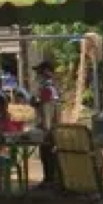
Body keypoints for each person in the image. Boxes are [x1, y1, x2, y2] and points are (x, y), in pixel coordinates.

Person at [32, 60, 61, 191]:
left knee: (47, 154)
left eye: (39, 72)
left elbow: (48, 109)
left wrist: (46, 129)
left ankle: (50, 181)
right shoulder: (51, 87)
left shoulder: (48, 88)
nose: (37, 75)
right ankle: (49, 180)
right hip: (50, 127)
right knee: (47, 155)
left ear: (46, 72)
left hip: (48, 128)